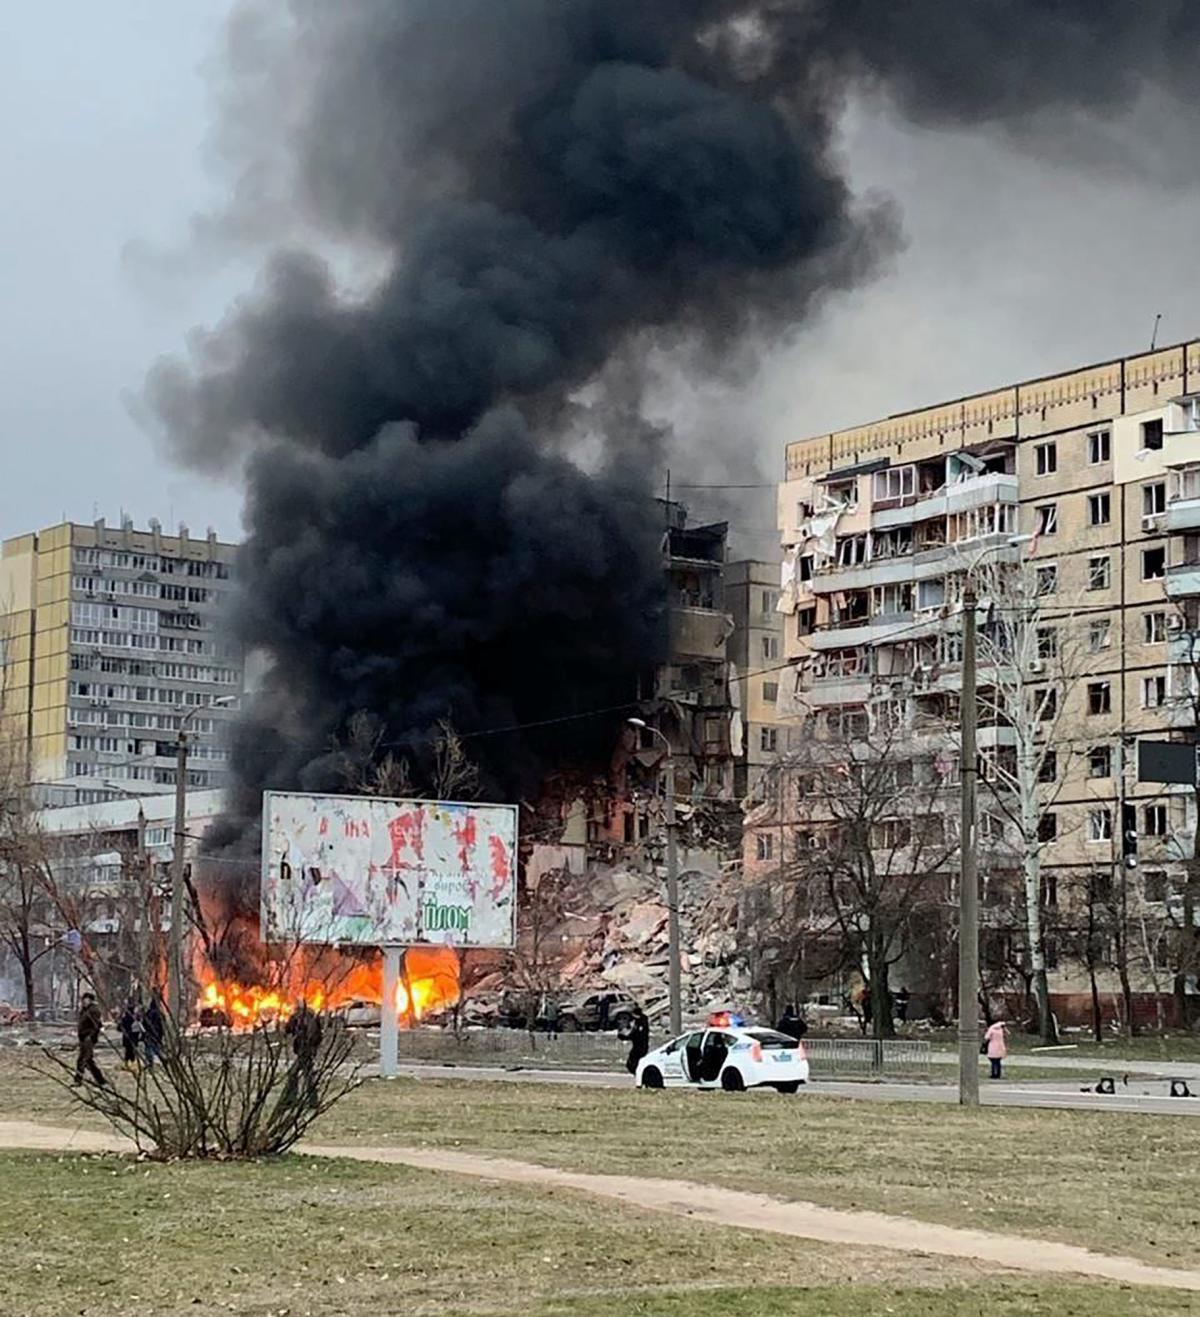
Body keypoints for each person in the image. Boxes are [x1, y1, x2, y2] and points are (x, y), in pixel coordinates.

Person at [285, 1001, 324, 1108]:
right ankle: (312, 1101)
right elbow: (319, 1035)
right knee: (308, 1075)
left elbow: (288, 1029)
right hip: (309, 1049)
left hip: (304, 1050)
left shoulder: (298, 1016)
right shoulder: (313, 1016)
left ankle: (292, 1100)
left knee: (294, 1074)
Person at [73, 992, 107, 1088]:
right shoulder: (84, 1011)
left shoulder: (93, 1010)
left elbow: (97, 1025)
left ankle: (78, 1080)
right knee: (88, 1060)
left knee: (83, 1060)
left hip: (88, 1038)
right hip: (83, 1038)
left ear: (90, 1000)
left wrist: (91, 1036)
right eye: (83, 999)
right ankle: (101, 1081)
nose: (83, 1001)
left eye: (85, 999)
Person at [624, 1005, 650, 1076]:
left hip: (640, 1046)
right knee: (634, 1060)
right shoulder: (638, 1021)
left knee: (636, 1060)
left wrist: (627, 1037)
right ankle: (638, 1073)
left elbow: (637, 1034)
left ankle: (639, 1073)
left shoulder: (642, 1022)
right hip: (638, 1046)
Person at [117, 997, 142, 1069]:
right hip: (134, 1037)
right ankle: (132, 1064)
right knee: (132, 1052)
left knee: (128, 1051)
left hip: (126, 1037)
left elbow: (119, 1028)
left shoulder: (124, 1018)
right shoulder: (136, 1019)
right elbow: (139, 1028)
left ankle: (127, 1064)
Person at [142, 994, 165, 1069]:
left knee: (149, 1048)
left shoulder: (148, 1013)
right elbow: (162, 1026)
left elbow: (144, 1023)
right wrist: (161, 1034)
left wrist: (144, 1032)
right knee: (155, 1047)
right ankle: (162, 1059)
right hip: (157, 1033)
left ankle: (150, 1062)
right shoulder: (160, 1013)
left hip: (150, 1033)